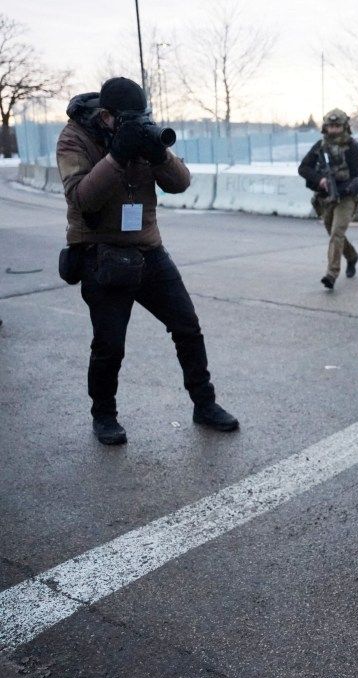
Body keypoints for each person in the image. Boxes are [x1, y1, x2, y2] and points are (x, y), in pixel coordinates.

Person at [56, 78, 238, 445]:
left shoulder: (140, 129)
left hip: (148, 250)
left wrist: (158, 154)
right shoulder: (74, 137)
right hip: (100, 252)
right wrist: (116, 156)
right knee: (109, 345)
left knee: (187, 326)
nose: (136, 124)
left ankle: (204, 404)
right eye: (127, 119)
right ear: (106, 116)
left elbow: (181, 182)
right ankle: (103, 416)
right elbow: (81, 198)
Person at [298, 109, 358, 288]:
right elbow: (303, 168)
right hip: (326, 198)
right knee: (335, 234)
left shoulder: (352, 147)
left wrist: (349, 187)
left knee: (337, 233)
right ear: (325, 127)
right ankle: (352, 257)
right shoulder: (320, 146)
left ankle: (331, 274)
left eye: (337, 126)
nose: (334, 130)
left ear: (345, 127)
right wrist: (319, 180)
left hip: (347, 198)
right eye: (331, 126)